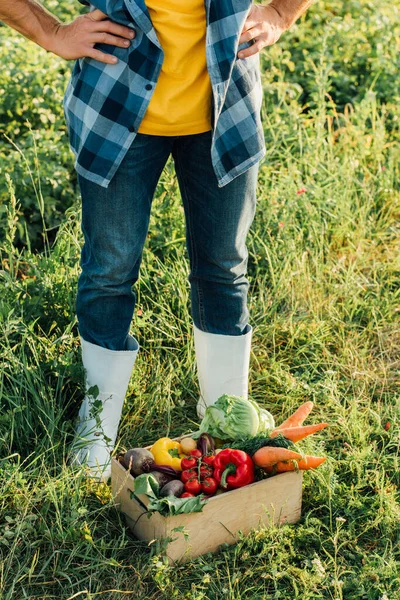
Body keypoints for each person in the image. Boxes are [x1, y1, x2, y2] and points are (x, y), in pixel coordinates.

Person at [0, 0, 313, 480]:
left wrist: (279, 14)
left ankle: (226, 425)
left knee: (224, 266)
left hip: (223, 112)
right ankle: (96, 431)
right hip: (115, 115)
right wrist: (52, 32)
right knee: (110, 269)